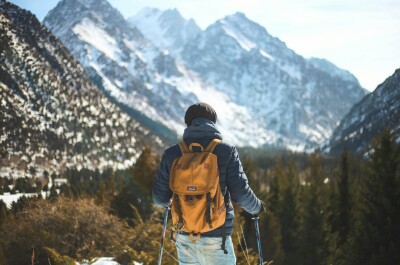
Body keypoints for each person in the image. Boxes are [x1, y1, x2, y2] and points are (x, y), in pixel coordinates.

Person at [153, 102, 266, 265]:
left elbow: (159, 199)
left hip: (185, 235)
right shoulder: (226, 151)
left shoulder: (172, 154)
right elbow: (241, 193)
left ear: (188, 123)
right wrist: (257, 208)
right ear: (212, 123)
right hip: (217, 236)